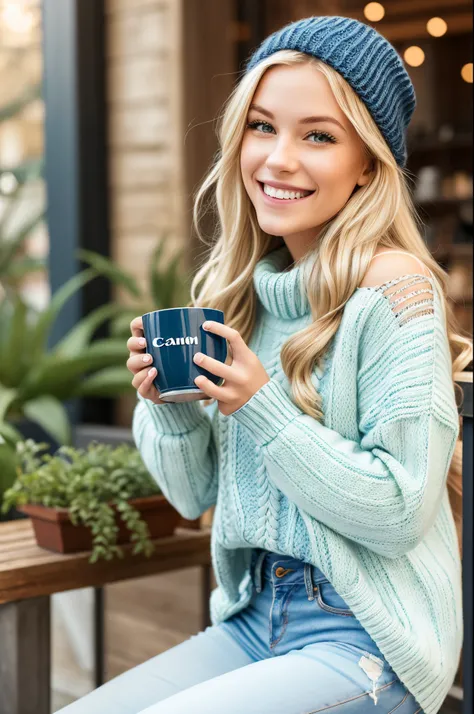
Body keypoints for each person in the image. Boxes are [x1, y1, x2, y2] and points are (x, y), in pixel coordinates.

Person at [60, 15, 472, 714]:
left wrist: (260, 404)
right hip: (257, 618)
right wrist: (169, 405)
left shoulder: (395, 289)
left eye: (318, 135)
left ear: (367, 161)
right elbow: (192, 498)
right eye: (261, 126)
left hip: (368, 638)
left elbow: (402, 512)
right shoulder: (236, 294)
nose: (278, 158)